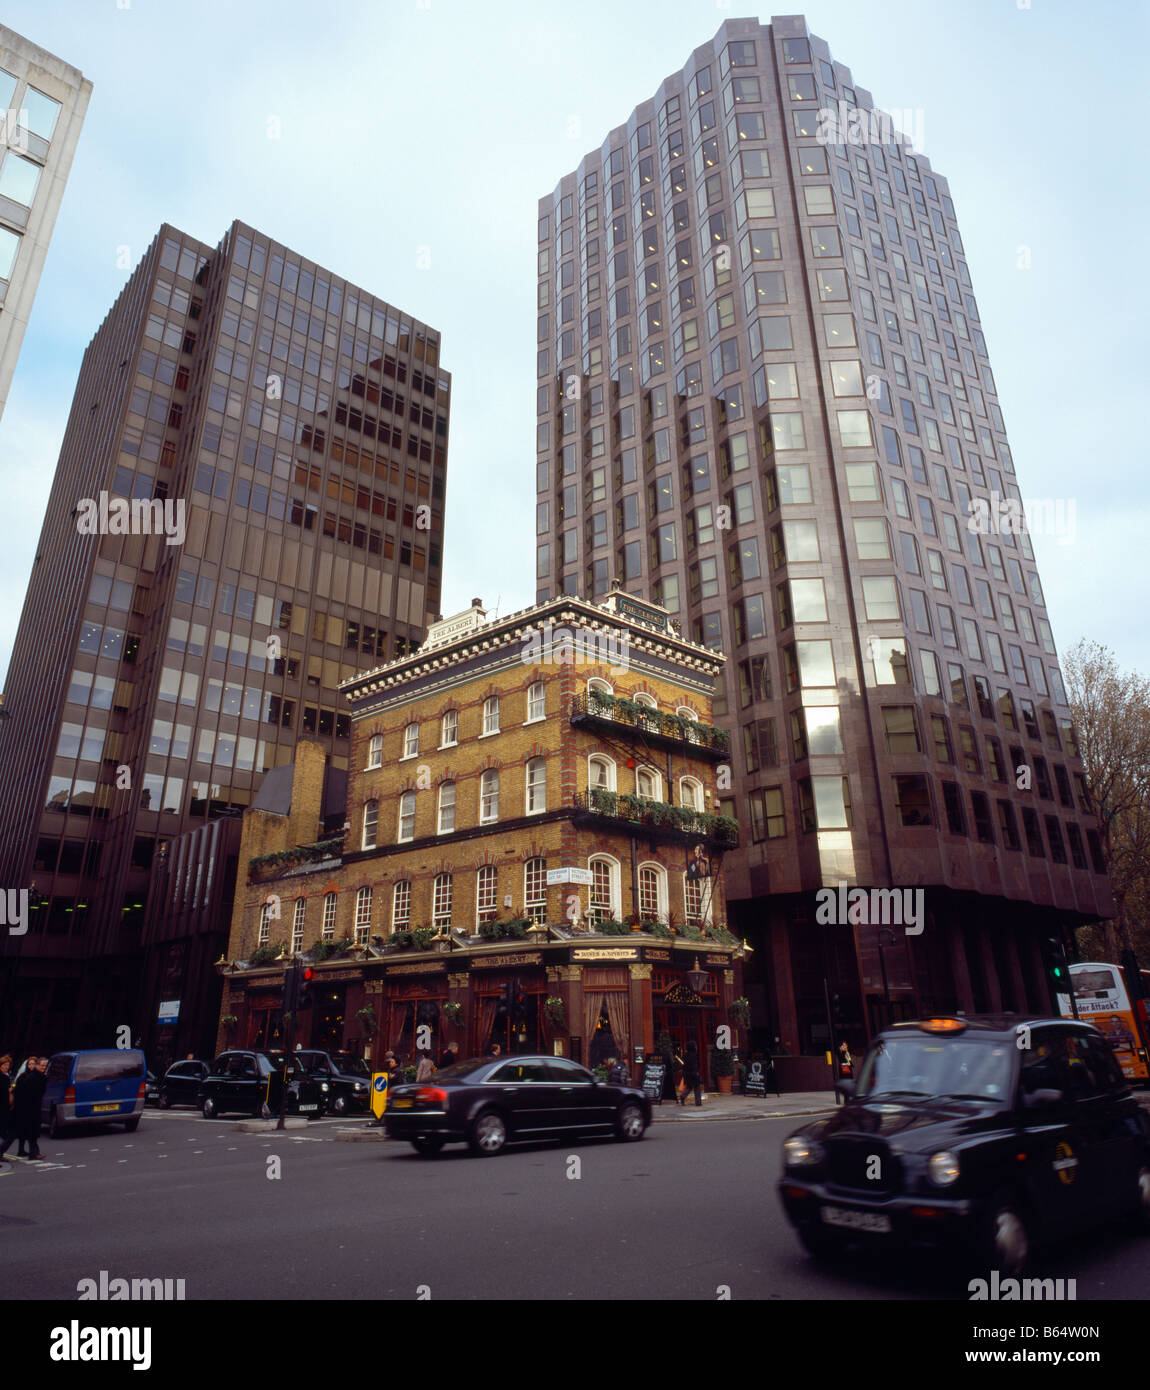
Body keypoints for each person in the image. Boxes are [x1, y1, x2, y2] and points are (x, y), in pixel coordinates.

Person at [1, 1056, 47, 1161]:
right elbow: (28, 1095)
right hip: (25, 1110)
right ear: (37, 1065)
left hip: (28, 1109)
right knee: (14, 1134)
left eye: (45, 1065)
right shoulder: (30, 1077)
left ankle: (33, 1154)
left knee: (32, 1133)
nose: (44, 1067)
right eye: (42, 1065)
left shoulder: (37, 1076)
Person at [682, 1041, 703, 1107]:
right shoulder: (694, 1055)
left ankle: (683, 1096)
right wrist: (696, 1072)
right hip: (693, 1073)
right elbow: (695, 1065)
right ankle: (698, 1102)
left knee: (689, 1087)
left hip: (687, 1073)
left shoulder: (685, 1055)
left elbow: (684, 1065)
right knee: (697, 1087)